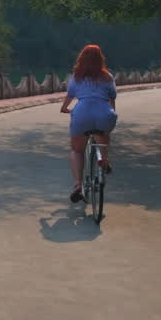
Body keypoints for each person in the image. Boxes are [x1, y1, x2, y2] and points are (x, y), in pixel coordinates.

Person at [59, 44, 117, 202]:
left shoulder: (77, 77)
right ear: (101, 59)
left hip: (82, 114)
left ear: (81, 59)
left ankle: (78, 185)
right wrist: (110, 116)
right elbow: (112, 98)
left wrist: (64, 109)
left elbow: (69, 96)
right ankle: (104, 160)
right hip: (104, 114)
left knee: (77, 150)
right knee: (103, 138)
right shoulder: (108, 77)